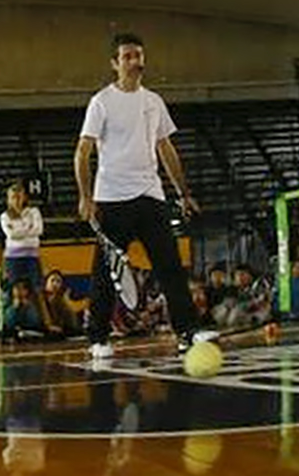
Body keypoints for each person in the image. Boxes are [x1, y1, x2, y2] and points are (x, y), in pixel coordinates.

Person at [74, 32, 216, 358]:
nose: (135, 61)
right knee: (107, 273)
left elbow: (166, 148)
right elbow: (82, 152)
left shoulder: (154, 101)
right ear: (115, 63)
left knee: (170, 267)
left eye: (138, 55)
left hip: (151, 195)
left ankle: (187, 331)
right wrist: (86, 196)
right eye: (127, 56)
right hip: (111, 198)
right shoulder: (102, 102)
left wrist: (183, 192)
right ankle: (98, 337)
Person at [0, 181, 52, 330]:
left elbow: (39, 230)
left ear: (24, 197)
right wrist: (28, 228)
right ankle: (9, 325)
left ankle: (45, 323)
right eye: (13, 197)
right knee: (13, 291)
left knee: (37, 289)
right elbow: (11, 234)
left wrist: (20, 230)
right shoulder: (4, 216)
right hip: (12, 258)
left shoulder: (34, 212)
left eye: (19, 196)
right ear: (8, 199)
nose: (16, 199)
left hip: (32, 256)